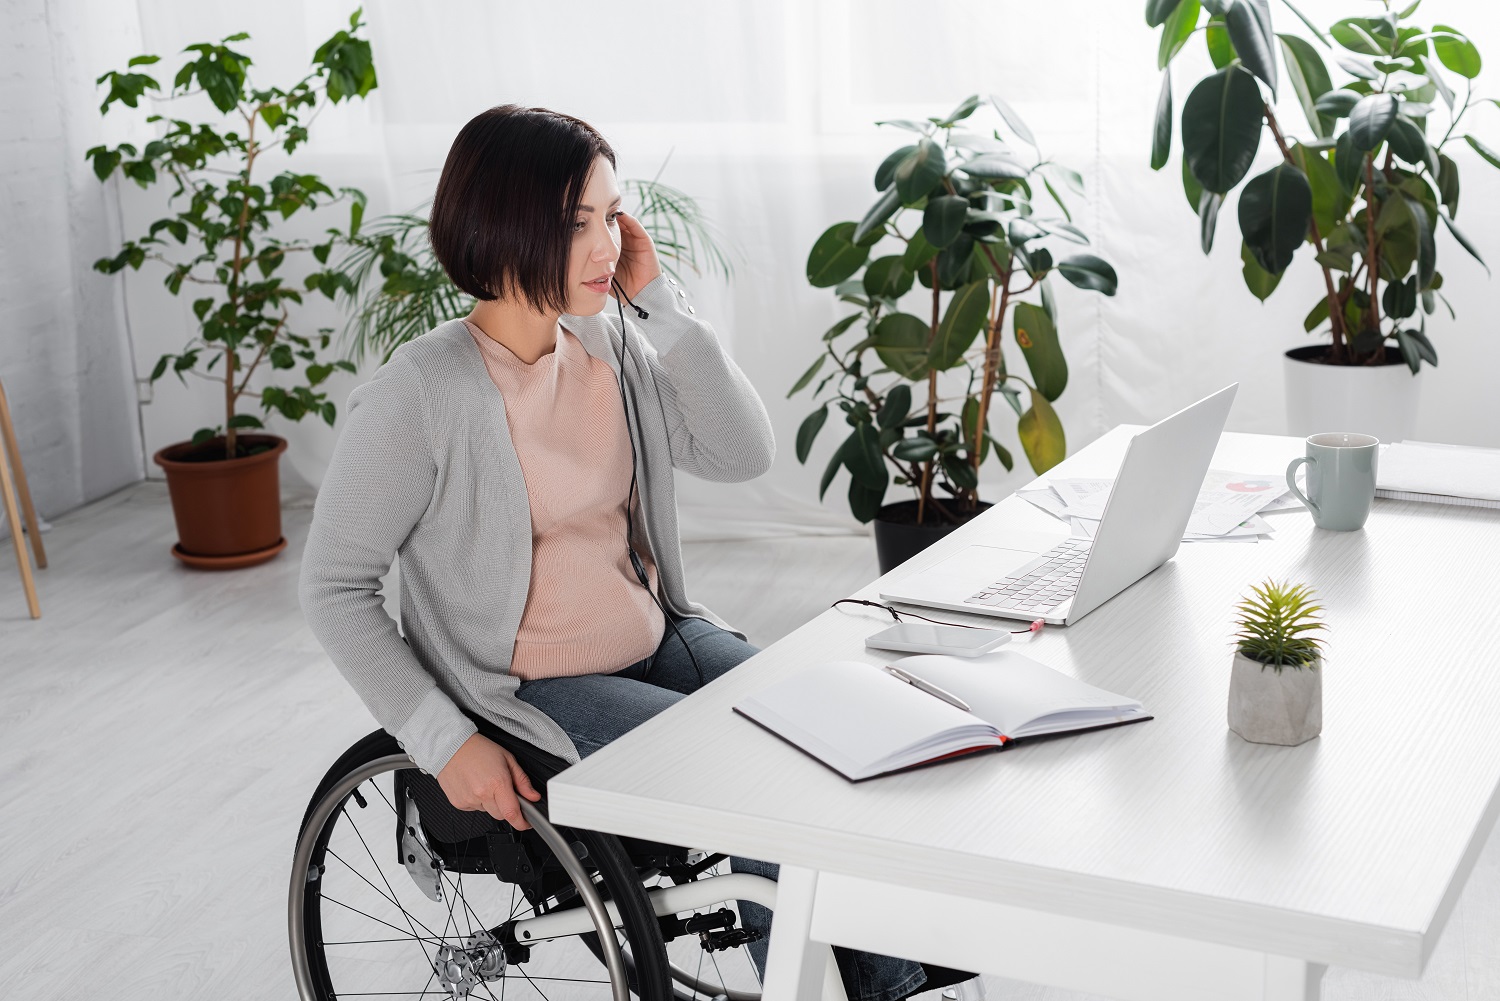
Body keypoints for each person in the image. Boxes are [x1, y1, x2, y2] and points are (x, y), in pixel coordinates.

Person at [299, 103, 970, 1001]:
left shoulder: (608, 340)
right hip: (529, 688)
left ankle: (887, 978)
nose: (608, 241)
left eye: (613, 214)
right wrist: (441, 736)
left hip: (655, 638)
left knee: (829, 727)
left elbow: (742, 454)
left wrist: (662, 310)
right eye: (579, 220)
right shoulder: (420, 394)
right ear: (504, 222)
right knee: (759, 780)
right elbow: (334, 586)